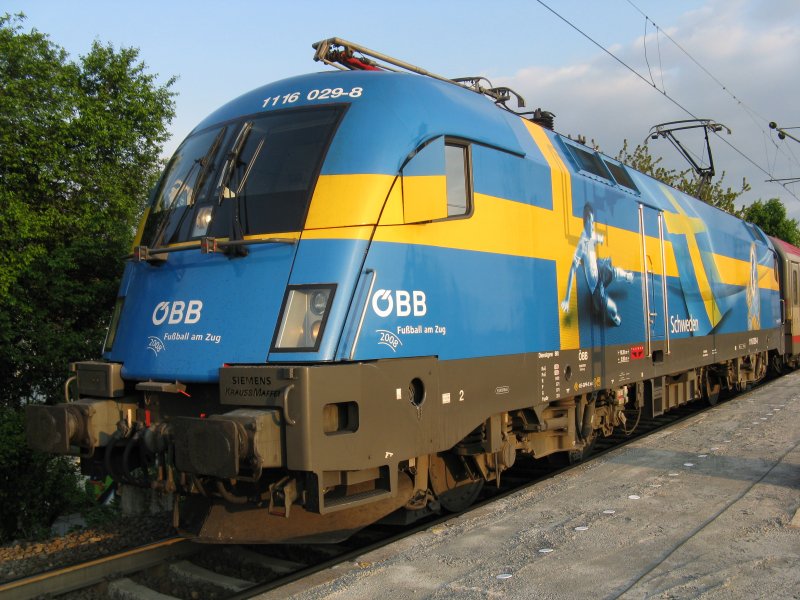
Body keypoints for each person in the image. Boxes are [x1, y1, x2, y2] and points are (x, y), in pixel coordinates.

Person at [561, 203, 633, 326]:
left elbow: (599, 239)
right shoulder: (581, 245)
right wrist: (567, 299)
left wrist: (601, 239)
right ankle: (614, 317)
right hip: (595, 286)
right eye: (592, 223)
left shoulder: (592, 235)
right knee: (613, 308)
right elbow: (572, 270)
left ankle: (627, 277)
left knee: (612, 270)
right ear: (587, 221)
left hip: (599, 270)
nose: (594, 226)